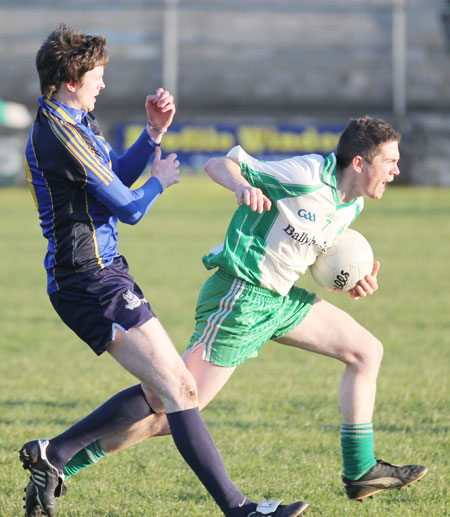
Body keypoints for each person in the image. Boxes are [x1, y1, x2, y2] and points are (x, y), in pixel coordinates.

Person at [19, 24, 307, 517]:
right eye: (98, 75)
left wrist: (153, 134)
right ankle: (238, 508)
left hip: (102, 273)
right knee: (180, 389)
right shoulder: (59, 133)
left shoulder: (74, 118)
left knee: (160, 392)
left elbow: (115, 176)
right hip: (87, 279)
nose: (103, 84)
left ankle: (55, 454)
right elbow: (129, 207)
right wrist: (160, 182)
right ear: (72, 78)